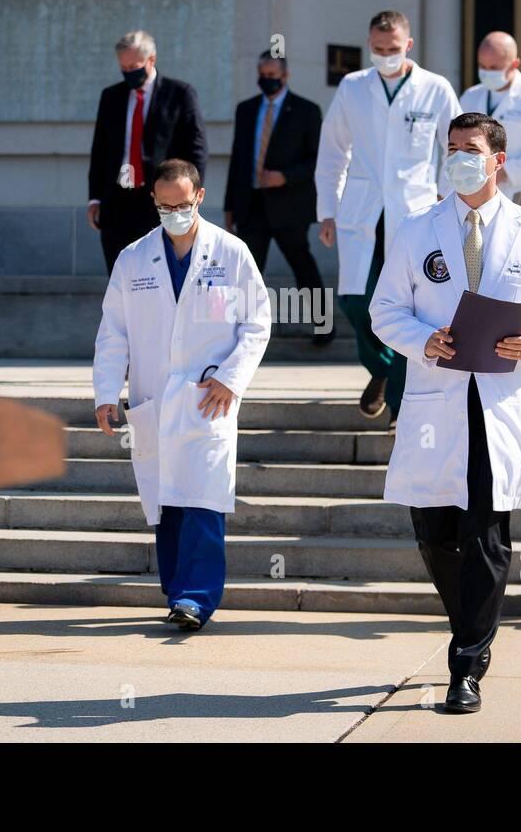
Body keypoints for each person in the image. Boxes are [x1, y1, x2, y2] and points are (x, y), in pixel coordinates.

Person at [370, 112, 521, 713]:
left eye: (471, 149)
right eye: (452, 148)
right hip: (437, 399)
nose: (459, 157)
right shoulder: (415, 230)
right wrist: (422, 340)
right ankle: (473, 625)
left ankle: (466, 665)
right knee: (434, 532)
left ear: (498, 160)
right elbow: (385, 310)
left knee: (486, 537)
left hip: (499, 400)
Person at [93, 159, 271, 630]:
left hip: (208, 398)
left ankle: (197, 598)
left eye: (182, 204)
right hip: (152, 398)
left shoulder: (231, 253)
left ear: (200, 197)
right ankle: (177, 593)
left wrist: (232, 377)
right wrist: (106, 392)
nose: (174, 213)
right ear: (153, 201)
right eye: (164, 205)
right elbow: (114, 332)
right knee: (166, 501)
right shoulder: (134, 258)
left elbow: (256, 323)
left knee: (204, 499)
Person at [316, 10, 462, 423]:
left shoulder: (435, 89)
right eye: (378, 50)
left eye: (393, 49)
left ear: (408, 45)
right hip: (361, 210)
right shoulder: (353, 87)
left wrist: (445, 198)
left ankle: (399, 401)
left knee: (408, 307)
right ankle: (381, 368)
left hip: (416, 210)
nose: (385, 56)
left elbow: (455, 146)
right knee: (354, 302)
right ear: (369, 46)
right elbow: (332, 152)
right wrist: (327, 210)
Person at [224, 51, 332, 346]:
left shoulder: (306, 110)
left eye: (273, 75)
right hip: (252, 204)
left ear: (285, 76)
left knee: (302, 265)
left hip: (289, 205)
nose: (267, 80)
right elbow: (238, 160)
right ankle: (241, 331)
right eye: (263, 74)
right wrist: (230, 206)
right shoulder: (246, 109)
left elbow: (318, 160)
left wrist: (285, 176)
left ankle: (323, 326)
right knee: (247, 270)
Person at [88, 31, 208, 272]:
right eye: (123, 67)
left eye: (134, 66)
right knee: (119, 272)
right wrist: (95, 197)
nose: (128, 72)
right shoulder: (111, 96)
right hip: (117, 200)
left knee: (161, 272)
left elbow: (196, 149)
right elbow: (100, 150)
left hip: (161, 199)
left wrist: (189, 197)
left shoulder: (180, 94)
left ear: (151, 59)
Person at [457, 31, 521, 205]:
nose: (487, 72)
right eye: (483, 66)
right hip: (472, 194)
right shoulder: (470, 97)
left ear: (515, 64)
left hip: (519, 197)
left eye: (494, 68)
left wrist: (503, 171)